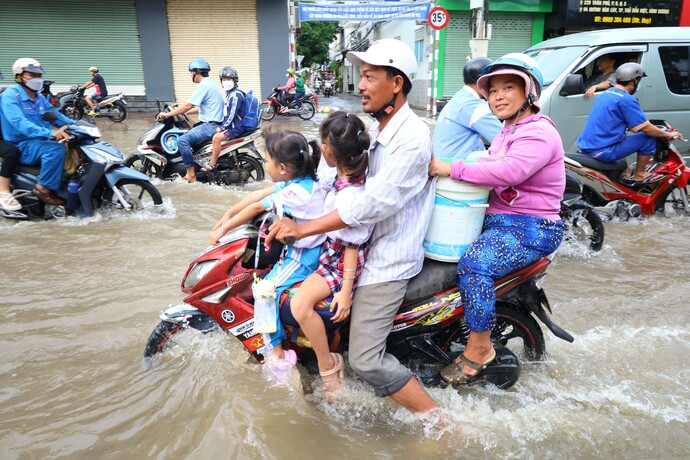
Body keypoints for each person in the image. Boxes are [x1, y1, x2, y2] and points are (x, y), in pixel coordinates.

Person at [267, 38, 439, 414]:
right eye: (360, 76)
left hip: (384, 262)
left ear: (396, 84)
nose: (360, 85)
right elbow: (334, 176)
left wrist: (303, 228)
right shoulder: (376, 131)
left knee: (365, 359)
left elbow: (367, 206)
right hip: (356, 250)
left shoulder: (410, 139)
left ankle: (440, 422)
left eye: (368, 77)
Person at [428, 53, 566, 385]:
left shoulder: (538, 132)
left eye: (508, 88)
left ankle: (479, 348)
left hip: (531, 228)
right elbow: (485, 160)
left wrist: (451, 168)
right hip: (498, 220)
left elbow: (508, 170)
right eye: (492, 91)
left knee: (475, 264)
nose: (498, 96)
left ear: (529, 93)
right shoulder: (507, 130)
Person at [209, 129, 326, 369]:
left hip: (304, 257)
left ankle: (276, 355)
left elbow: (255, 208)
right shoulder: (304, 182)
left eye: (267, 161)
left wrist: (222, 231)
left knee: (263, 291)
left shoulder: (293, 193)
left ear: (282, 168)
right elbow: (258, 194)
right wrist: (228, 214)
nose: (265, 165)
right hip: (312, 250)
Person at [285, 111, 372, 391]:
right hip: (329, 255)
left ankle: (327, 364)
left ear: (326, 150)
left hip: (339, 263)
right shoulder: (340, 178)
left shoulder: (350, 193)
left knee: (298, 304)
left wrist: (346, 291)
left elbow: (351, 244)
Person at [577, 62, 684, 182]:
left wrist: (640, 125)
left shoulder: (606, 94)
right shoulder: (627, 100)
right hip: (602, 151)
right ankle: (640, 174)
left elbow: (626, 123)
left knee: (623, 138)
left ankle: (624, 172)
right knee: (647, 138)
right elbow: (646, 128)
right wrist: (668, 134)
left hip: (587, 146)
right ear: (635, 80)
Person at [0, 58, 72, 206]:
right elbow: (20, 123)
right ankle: (42, 188)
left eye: (38, 75)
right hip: (21, 143)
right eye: (31, 75)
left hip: (39, 142)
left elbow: (55, 116)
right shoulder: (11, 96)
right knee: (55, 149)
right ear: (19, 77)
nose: (36, 79)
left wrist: (78, 126)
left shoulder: (39, 97)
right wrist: (50, 134)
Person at [157, 59, 224, 183]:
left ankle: (191, 174)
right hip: (213, 124)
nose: (190, 75)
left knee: (182, 141)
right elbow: (200, 107)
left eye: (191, 72)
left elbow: (188, 105)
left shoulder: (204, 85)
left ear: (196, 72)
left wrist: (167, 114)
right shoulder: (209, 84)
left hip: (210, 125)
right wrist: (182, 112)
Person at [433, 57, 502, 159]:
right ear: (483, 81)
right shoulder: (474, 106)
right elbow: (503, 139)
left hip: (443, 160)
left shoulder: (459, 97)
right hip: (454, 165)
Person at [200, 66, 245, 172]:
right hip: (234, 126)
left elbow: (231, 115)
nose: (226, 82)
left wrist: (222, 127)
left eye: (228, 79)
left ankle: (212, 163)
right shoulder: (230, 94)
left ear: (235, 80)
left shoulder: (235, 95)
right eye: (224, 80)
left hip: (236, 127)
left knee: (216, 138)